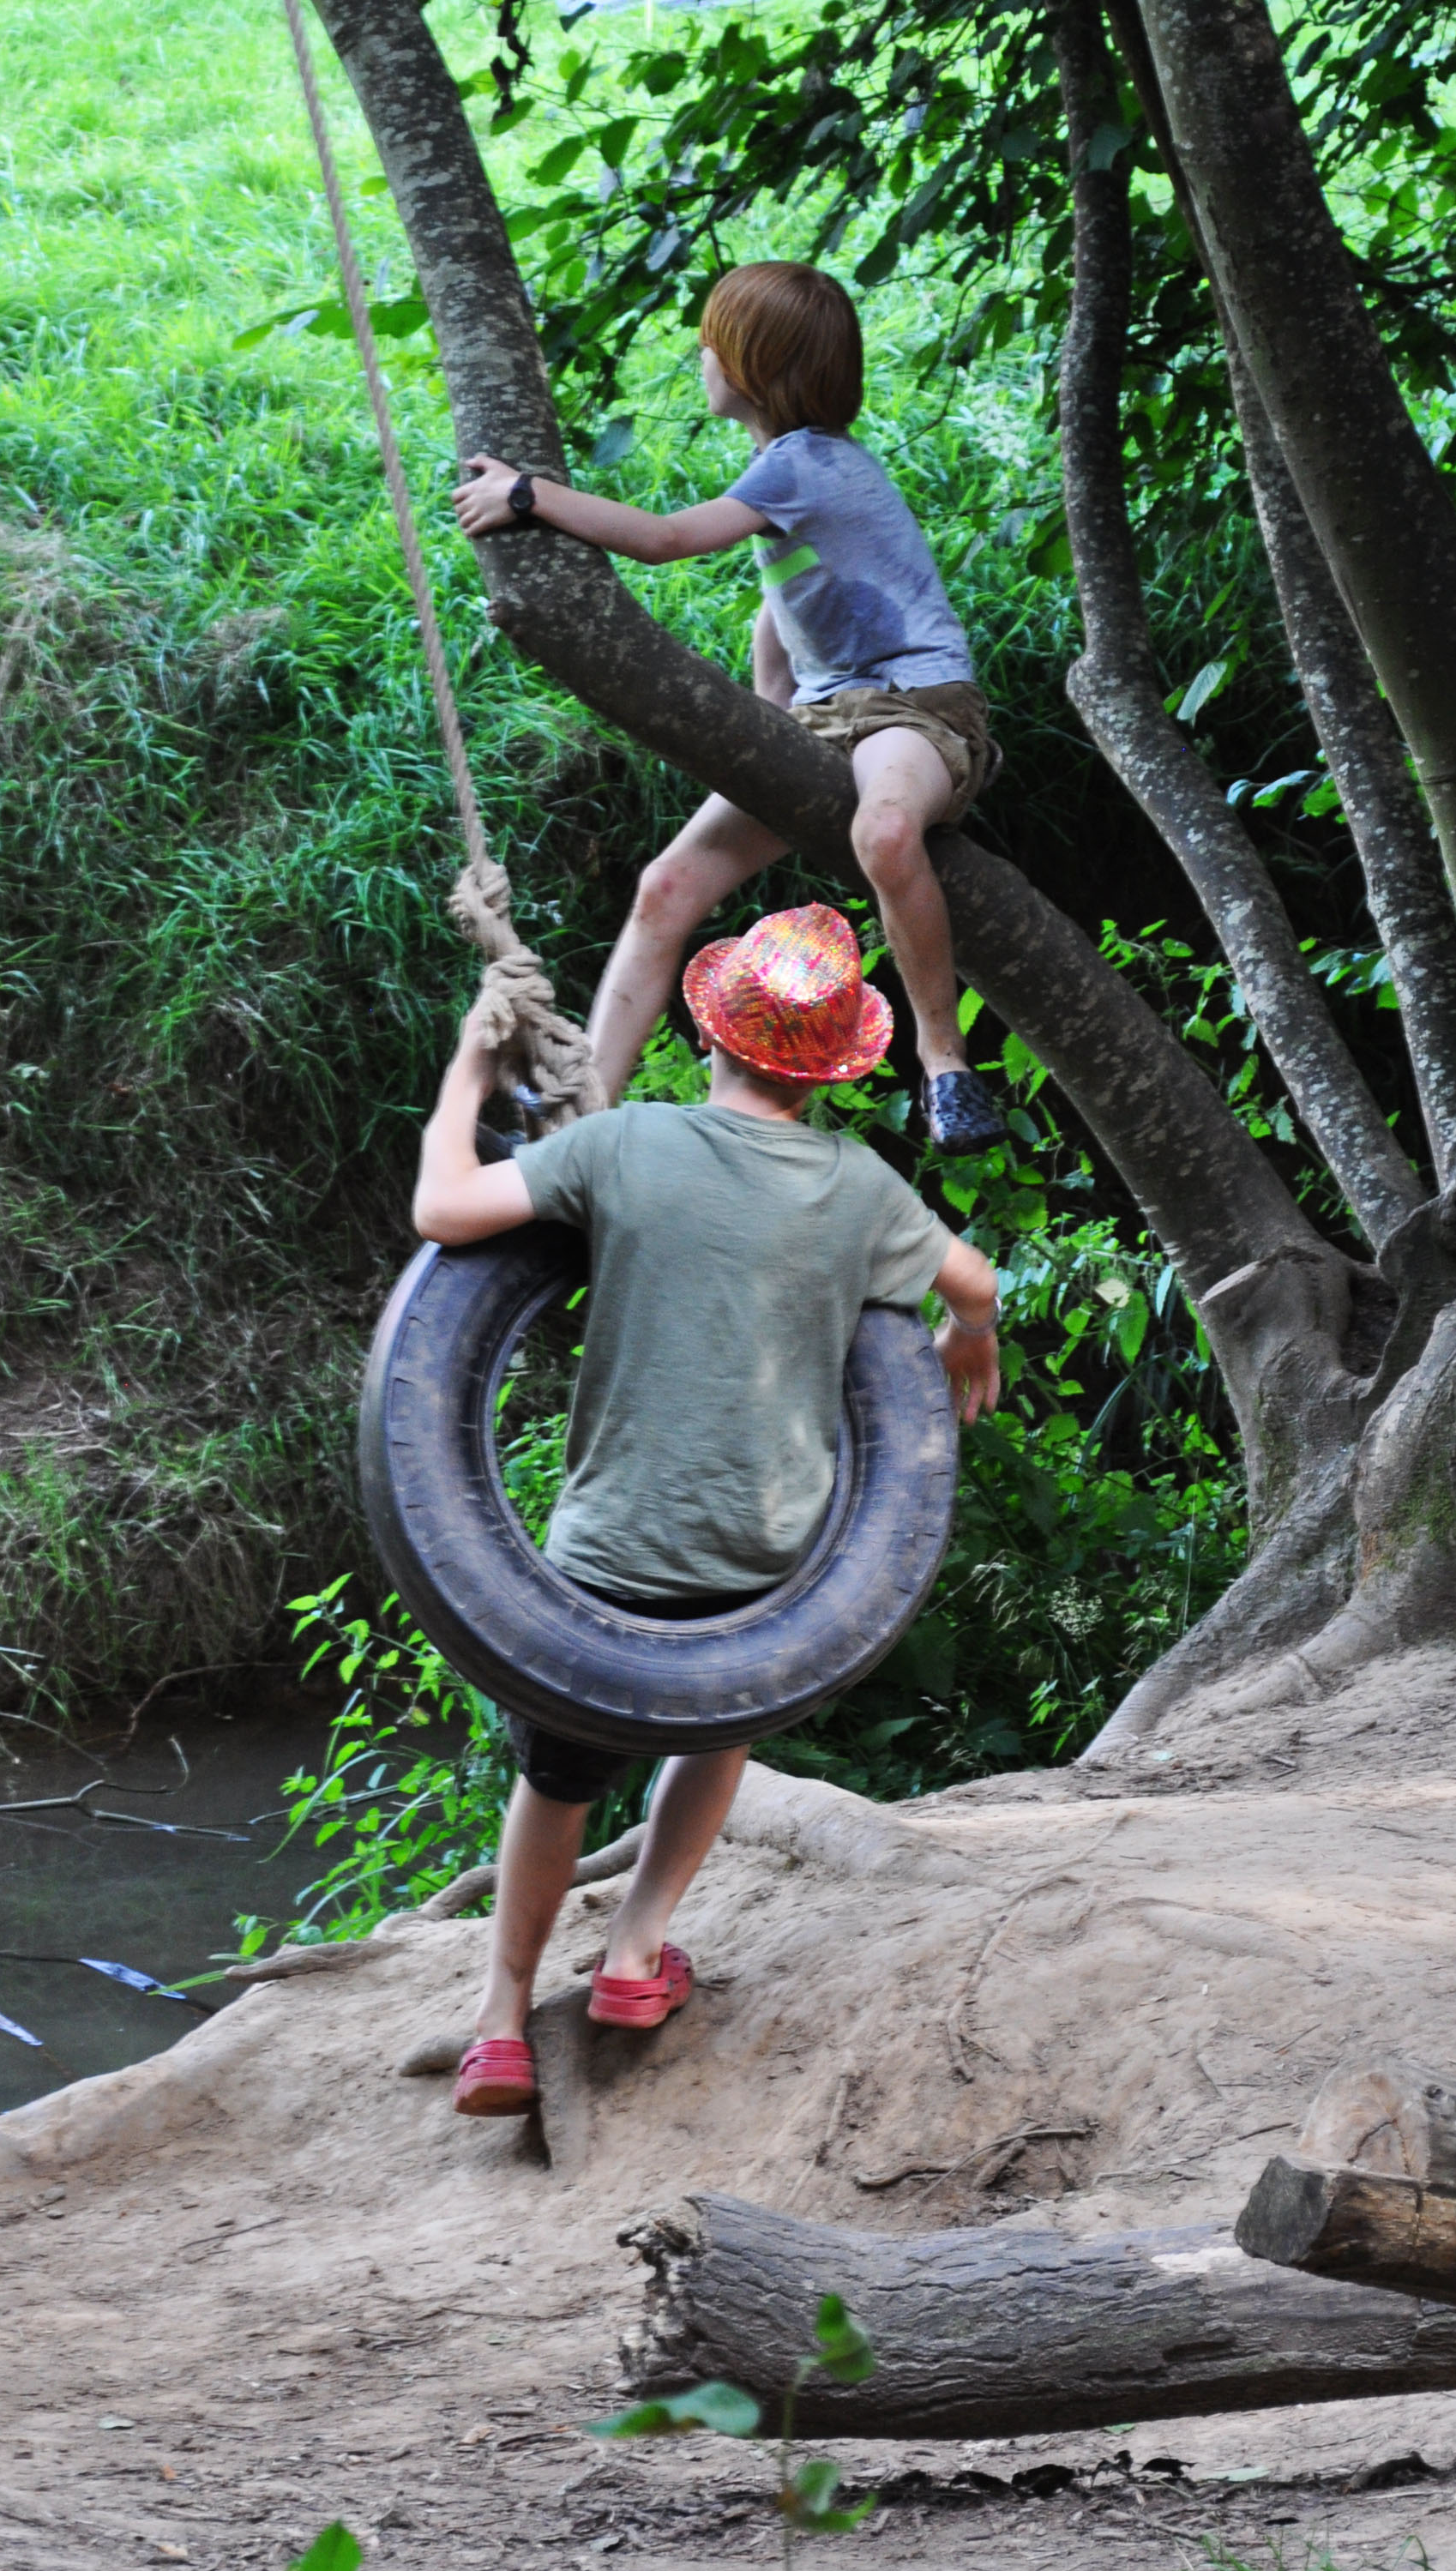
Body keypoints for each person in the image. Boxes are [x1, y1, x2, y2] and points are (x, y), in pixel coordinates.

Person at [409, 904, 1002, 2115]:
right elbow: (975, 1279)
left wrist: (470, 1069)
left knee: (558, 1782)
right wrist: (966, 1342)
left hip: (603, 1558)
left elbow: (446, 1214)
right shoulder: (859, 1186)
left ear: (717, 1036)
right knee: (720, 1726)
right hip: (768, 1562)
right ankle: (633, 1955)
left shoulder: (625, 1145)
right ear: (832, 1067)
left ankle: (501, 2022)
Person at [450, 259, 1010, 1159]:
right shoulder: (784, 474)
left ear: (750, 365)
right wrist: (768, 724)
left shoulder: (808, 465)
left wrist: (529, 495)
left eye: (713, 341)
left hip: (915, 704)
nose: (701, 355)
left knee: (886, 832)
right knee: (665, 887)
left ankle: (943, 1065)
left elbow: (668, 541)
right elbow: (782, 612)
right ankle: (576, 1116)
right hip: (827, 717)